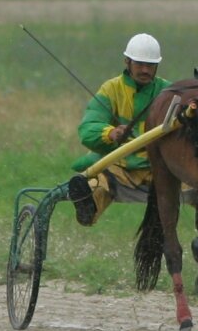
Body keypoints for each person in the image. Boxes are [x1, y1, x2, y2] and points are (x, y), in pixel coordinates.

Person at [67, 32, 172, 226]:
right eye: (139, 64)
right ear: (127, 62)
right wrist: (111, 133)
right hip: (120, 167)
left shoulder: (169, 92)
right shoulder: (111, 89)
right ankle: (87, 208)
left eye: (150, 65)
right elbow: (88, 128)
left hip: (159, 168)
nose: (145, 70)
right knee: (100, 182)